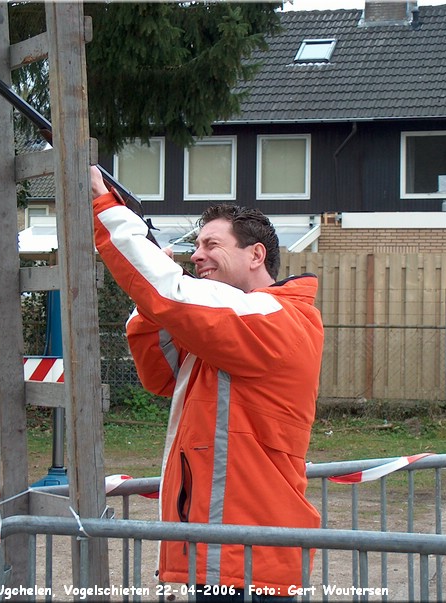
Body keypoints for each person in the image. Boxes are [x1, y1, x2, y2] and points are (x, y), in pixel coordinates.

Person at [90, 166, 323, 601]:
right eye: (195, 245)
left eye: (211, 244)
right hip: (224, 549)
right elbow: (159, 369)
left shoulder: (275, 318)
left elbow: (169, 295)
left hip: (247, 553)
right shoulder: (234, 328)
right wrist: (156, 286)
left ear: (256, 255)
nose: (197, 255)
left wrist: (105, 208)